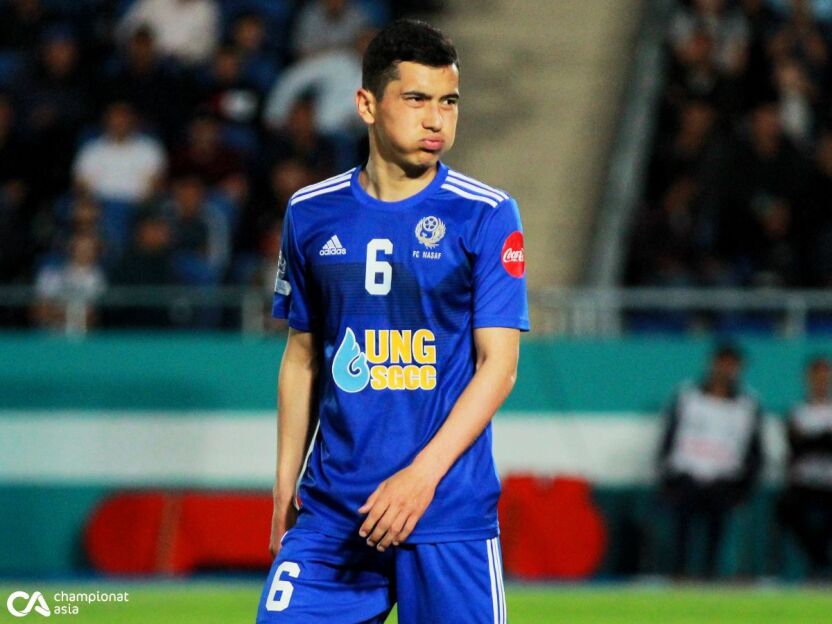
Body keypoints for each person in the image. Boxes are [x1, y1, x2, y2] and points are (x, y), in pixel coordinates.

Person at [256, 19, 528, 624]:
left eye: (449, 102)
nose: (436, 120)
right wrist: (283, 487)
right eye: (416, 99)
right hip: (333, 514)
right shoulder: (311, 213)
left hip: (445, 512)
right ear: (367, 105)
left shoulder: (486, 215)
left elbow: (499, 366)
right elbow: (302, 358)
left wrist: (419, 478)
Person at [657, 344, 763, 579]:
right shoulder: (687, 396)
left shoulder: (747, 404)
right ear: (712, 363)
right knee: (682, 522)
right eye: (721, 362)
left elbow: (754, 449)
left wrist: (746, 484)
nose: (725, 369)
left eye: (731, 364)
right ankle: (679, 572)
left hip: (726, 480)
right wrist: (666, 473)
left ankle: (711, 573)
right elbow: (669, 437)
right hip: (686, 475)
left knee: (718, 526)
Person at [778, 356, 832, 578]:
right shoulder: (798, 410)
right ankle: (819, 561)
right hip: (804, 482)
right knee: (787, 510)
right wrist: (823, 438)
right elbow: (796, 445)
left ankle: (819, 562)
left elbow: (807, 443)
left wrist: (811, 440)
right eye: (816, 376)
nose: (820, 380)